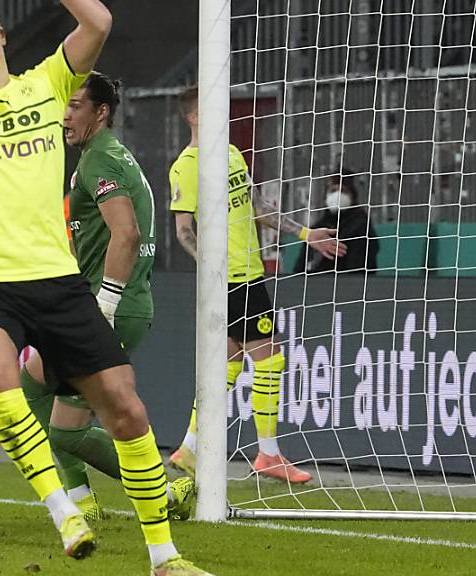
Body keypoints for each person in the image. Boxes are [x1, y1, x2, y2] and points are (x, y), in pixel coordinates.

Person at [0, 2, 209, 573]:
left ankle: (165, 558)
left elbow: (100, 23)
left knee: (126, 408)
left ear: (4, 35)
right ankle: (64, 510)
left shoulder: (47, 83)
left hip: (58, 279)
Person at [19, 72, 193, 523]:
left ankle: (166, 495)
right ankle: (81, 497)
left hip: (111, 306)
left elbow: (127, 234)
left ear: (101, 112)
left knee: (66, 433)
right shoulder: (106, 157)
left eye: (75, 105)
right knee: (33, 379)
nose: (65, 115)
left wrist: (106, 305)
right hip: (98, 302)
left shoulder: (100, 161)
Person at [168, 86, 347, 484]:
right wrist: (210, 269)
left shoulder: (231, 154)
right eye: (212, 110)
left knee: (228, 365)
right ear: (194, 117)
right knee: (270, 360)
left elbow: (257, 207)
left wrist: (305, 234)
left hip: (251, 273)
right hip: (231, 281)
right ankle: (268, 454)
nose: (223, 116)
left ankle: (189, 447)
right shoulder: (187, 165)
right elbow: (183, 230)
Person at [294, 173, 379, 274]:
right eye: (333, 190)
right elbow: (299, 268)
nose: (337, 195)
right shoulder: (317, 228)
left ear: (352, 197)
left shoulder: (361, 227)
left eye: (343, 191)